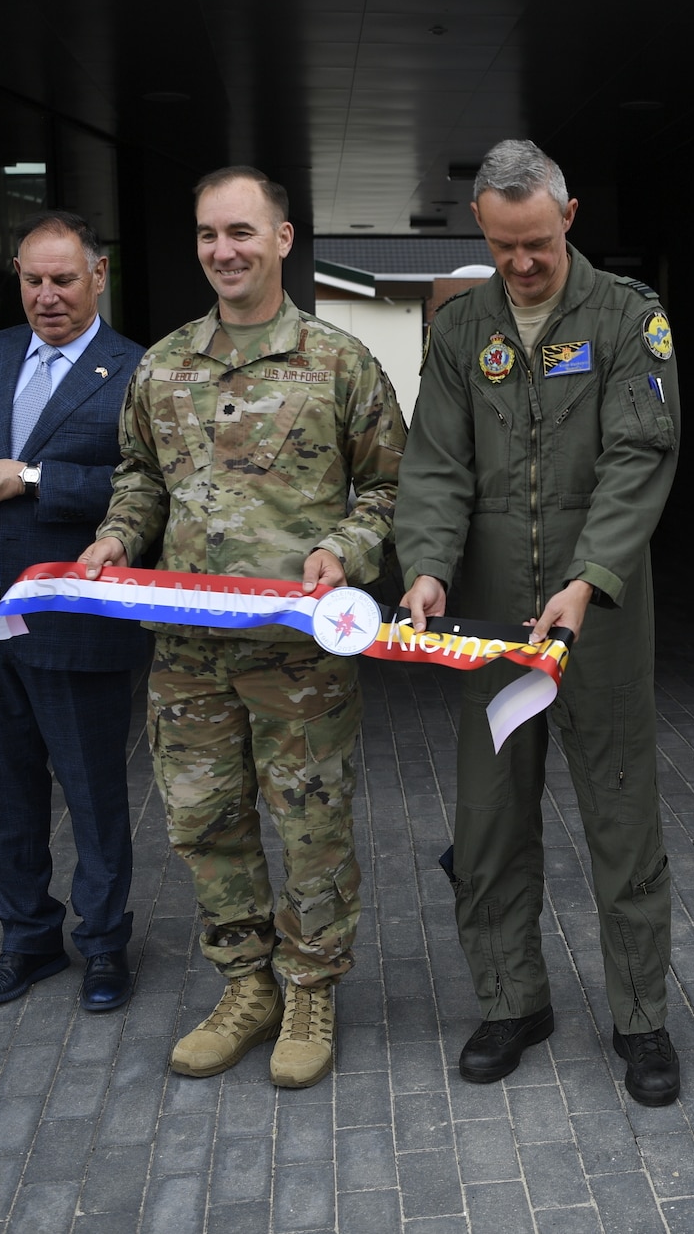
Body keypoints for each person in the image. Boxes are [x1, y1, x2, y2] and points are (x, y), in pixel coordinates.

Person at [79, 166, 403, 1089]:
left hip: (298, 656)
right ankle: (246, 983)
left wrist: (345, 546)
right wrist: (114, 537)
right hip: (186, 653)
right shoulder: (165, 363)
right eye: (209, 234)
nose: (225, 250)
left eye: (243, 232)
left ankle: (309, 989)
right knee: (203, 822)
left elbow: (388, 486)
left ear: (284, 239)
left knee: (310, 825)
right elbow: (140, 475)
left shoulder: (339, 362)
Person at [395, 140, 684, 1106]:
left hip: (592, 617)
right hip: (487, 621)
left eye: (537, 243)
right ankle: (513, 1000)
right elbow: (434, 463)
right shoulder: (459, 330)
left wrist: (591, 577)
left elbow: (639, 457)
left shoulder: (627, 318)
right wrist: (428, 567)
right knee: (489, 819)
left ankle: (641, 1016)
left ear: (567, 219)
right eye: (503, 245)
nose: (522, 262)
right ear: (483, 229)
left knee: (620, 814)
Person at [0, 211, 150, 1012]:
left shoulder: (138, 369)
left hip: (76, 617)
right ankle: (26, 940)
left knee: (92, 792)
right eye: (32, 280)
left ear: (99, 275)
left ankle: (106, 944)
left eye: (64, 280)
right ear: (17, 275)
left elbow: (149, 484)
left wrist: (35, 479)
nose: (46, 296)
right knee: (3, 791)